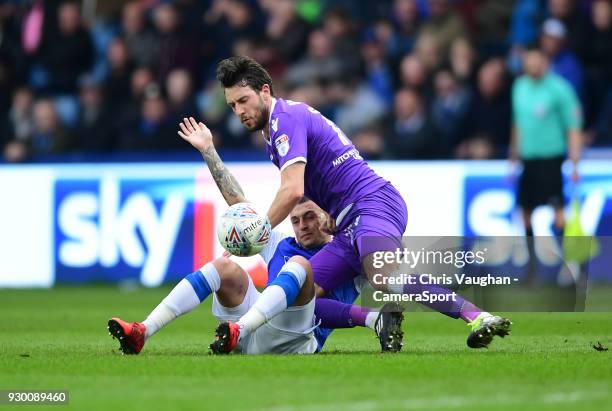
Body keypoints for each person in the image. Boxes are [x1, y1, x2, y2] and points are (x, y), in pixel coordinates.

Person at [178, 56, 511, 352]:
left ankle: (479, 317)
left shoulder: (286, 119)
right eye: (232, 105)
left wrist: (258, 231)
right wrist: (209, 151)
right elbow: (259, 204)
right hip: (349, 224)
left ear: (265, 91)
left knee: (381, 275)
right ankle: (377, 321)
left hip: (373, 202)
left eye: (243, 100)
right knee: (301, 298)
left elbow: (293, 191)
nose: (239, 111)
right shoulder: (274, 135)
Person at [108, 128, 405, 354]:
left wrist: (376, 315)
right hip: (253, 331)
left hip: (297, 341)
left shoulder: (347, 252)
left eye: (310, 217)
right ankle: (142, 332)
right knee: (223, 267)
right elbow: (239, 204)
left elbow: (389, 266)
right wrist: (209, 151)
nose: (302, 226)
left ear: (326, 213)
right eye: (296, 220)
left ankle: (238, 328)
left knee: (300, 266)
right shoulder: (280, 243)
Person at [510, 48, 582, 281]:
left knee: (558, 213)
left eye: (537, 62)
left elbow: (573, 125)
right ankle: (531, 268)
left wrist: (574, 161)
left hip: (551, 158)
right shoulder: (519, 88)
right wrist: (513, 156)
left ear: (544, 62)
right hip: (528, 160)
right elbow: (517, 124)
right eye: (529, 63)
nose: (533, 67)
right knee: (526, 213)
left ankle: (570, 265)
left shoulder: (559, 88)